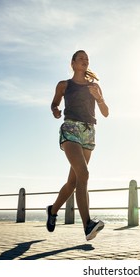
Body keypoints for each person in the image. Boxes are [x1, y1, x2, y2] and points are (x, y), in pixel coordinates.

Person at [46, 50, 109, 241]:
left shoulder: (95, 86)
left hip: (89, 131)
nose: (85, 60)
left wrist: (99, 98)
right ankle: (88, 224)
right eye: (80, 58)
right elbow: (54, 104)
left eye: (87, 58)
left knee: (74, 182)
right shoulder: (64, 85)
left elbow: (105, 112)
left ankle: (53, 210)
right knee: (84, 174)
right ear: (72, 63)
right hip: (70, 128)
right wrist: (56, 110)